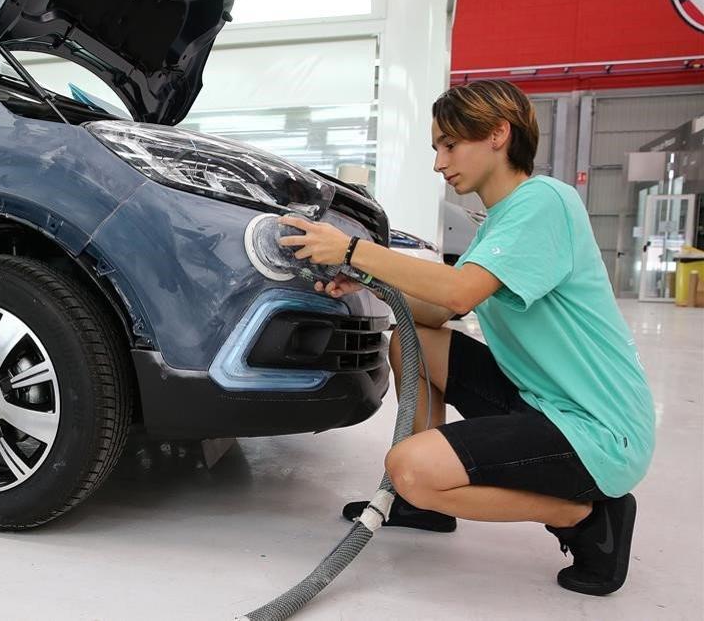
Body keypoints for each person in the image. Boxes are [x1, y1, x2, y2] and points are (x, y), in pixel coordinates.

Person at [278, 79, 654, 596]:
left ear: (499, 133)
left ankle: (587, 517)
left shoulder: (545, 201)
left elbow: (459, 294)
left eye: (450, 144)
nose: (439, 162)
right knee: (413, 342)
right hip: (542, 402)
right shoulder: (500, 222)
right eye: (436, 147)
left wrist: (353, 251)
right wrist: (366, 283)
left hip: (597, 431)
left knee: (410, 469)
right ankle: (422, 508)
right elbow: (436, 311)